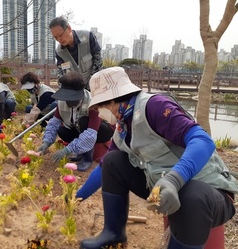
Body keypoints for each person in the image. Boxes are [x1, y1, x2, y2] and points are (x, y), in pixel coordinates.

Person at [80, 66, 237, 249]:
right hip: (164, 186)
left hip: (209, 192)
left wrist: (174, 179)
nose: (100, 113)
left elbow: (203, 141)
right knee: (114, 161)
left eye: (101, 106)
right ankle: (113, 234)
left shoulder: (155, 106)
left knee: (191, 196)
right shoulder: (124, 124)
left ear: (113, 99)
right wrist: (77, 197)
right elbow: (104, 167)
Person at [36, 71, 113, 172]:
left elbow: (91, 133)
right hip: (78, 128)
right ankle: (79, 152)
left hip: (101, 130)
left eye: (71, 98)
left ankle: (87, 158)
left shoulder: (92, 102)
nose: (67, 101)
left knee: (84, 122)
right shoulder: (62, 102)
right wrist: (46, 142)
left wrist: (67, 150)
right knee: (63, 131)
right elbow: (54, 123)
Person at [49, 16, 102, 89]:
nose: (59, 39)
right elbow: (61, 73)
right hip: (76, 90)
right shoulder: (59, 52)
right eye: (55, 37)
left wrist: (91, 85)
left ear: (69, 28)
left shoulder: (87, 37)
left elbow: (98, 61)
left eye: (60, 35)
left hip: (95, 85)